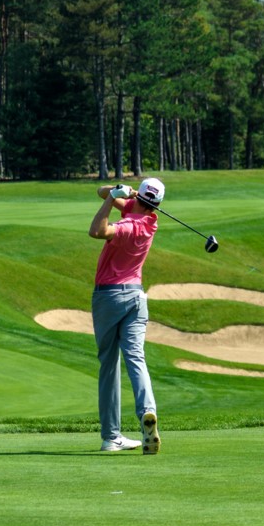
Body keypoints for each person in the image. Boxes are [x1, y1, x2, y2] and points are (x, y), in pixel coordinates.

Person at [88, 177, 164, 454]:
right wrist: (119, 191)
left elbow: (97, 231)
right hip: (136, 297)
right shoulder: (149, 221)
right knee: (135, 357)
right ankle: (148, 411)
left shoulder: (129, 226)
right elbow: (100, 190)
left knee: (109, 364)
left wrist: (111, 198)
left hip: (108, 296)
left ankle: (111, 437)